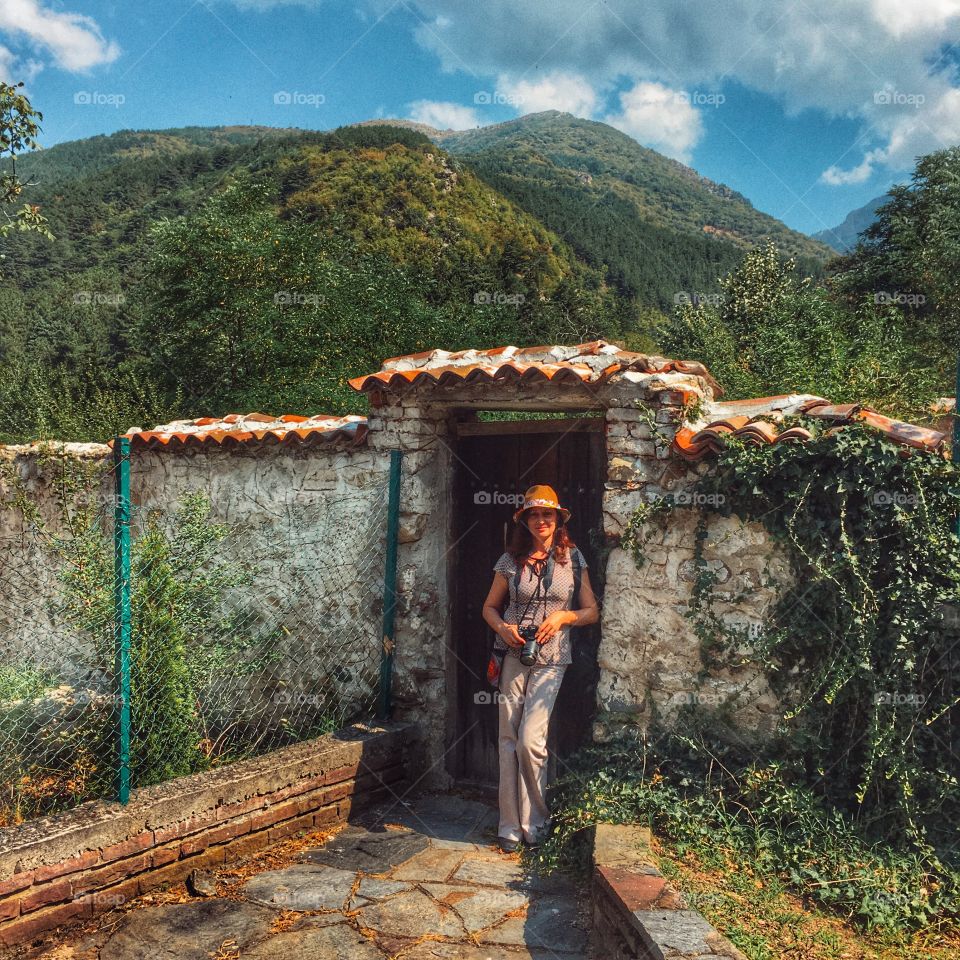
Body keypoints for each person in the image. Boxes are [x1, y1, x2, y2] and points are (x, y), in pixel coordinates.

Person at [481, 484, 600, 853]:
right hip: (513, 655)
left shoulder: (574, 559)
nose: (541, 520)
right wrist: (504, 628)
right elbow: (489, 608)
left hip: (552, 659)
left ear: (558, 519)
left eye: (547, 514)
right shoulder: (509, 560)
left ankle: (537, 821)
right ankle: (510, 827)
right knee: (508, 739)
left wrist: (564, 616)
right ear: (526, 520)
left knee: (531, 742)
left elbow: (592, 611)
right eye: (534, 514)